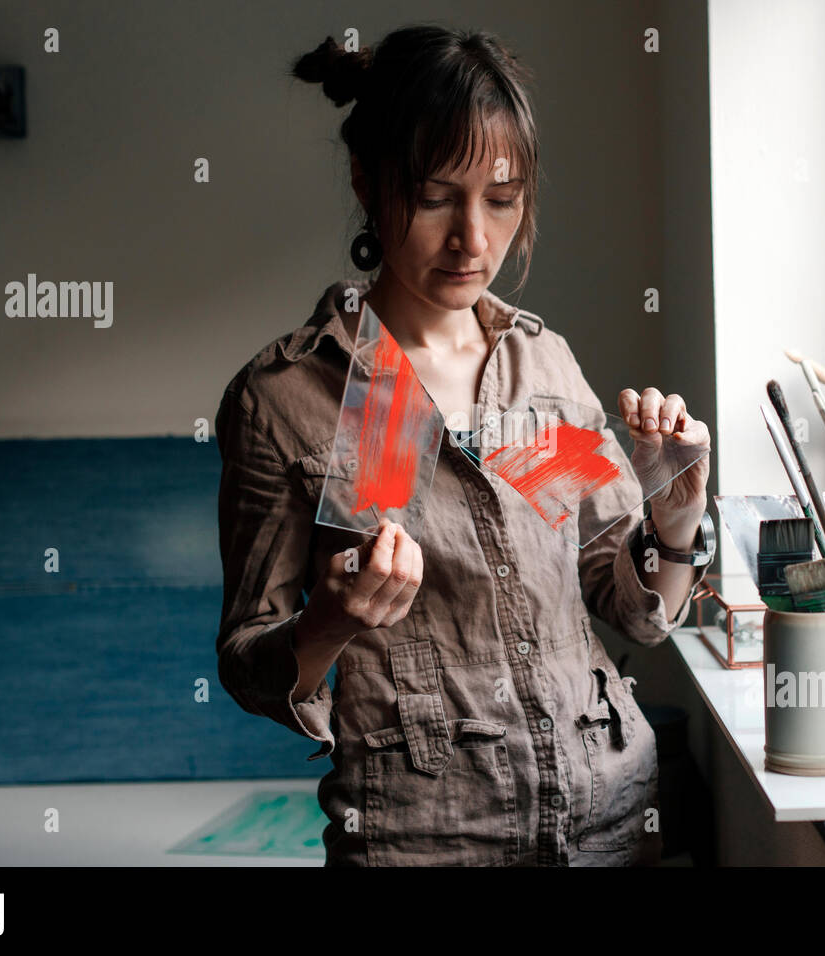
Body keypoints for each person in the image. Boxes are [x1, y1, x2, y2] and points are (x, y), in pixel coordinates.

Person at [215, 24, 714, 866]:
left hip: (610, 827)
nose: (473, 240)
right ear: (367, 184)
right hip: (422, 840)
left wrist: (675, 520)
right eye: (438, 196)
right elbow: (248, 663)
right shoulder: (291, 398)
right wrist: (330, 624)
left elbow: (629, 610)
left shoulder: (538, 371)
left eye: (503, 198)